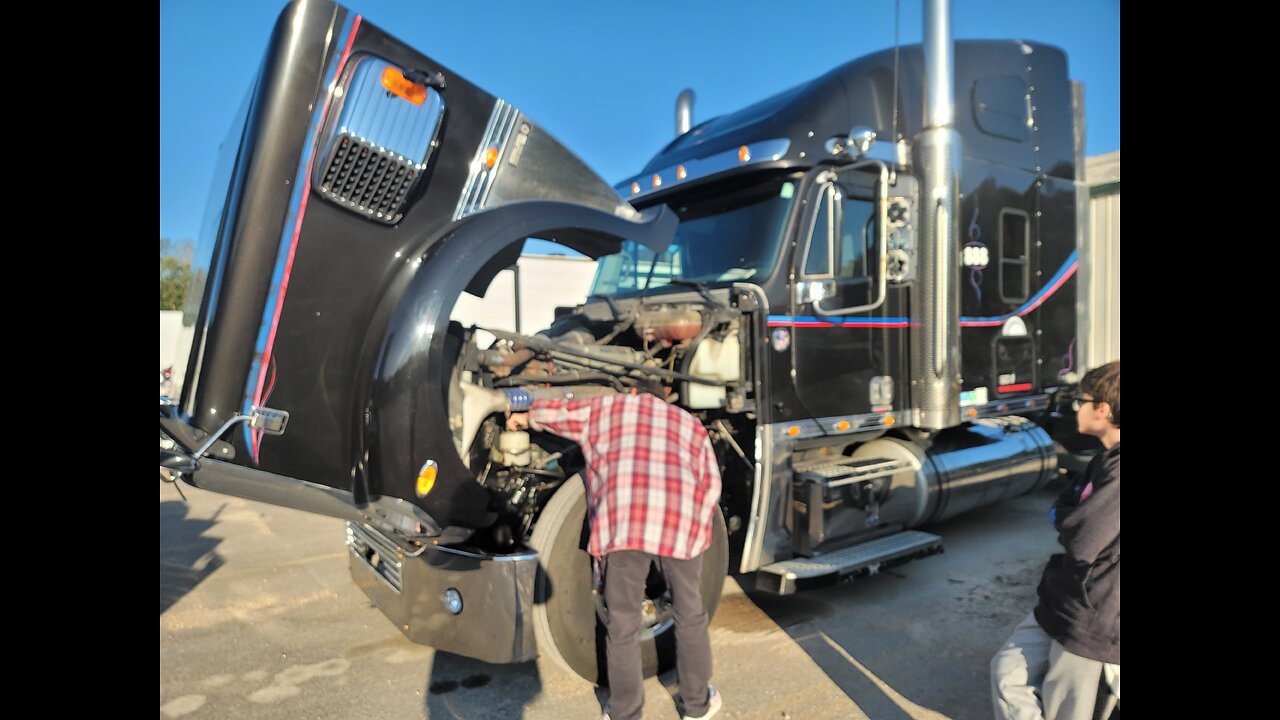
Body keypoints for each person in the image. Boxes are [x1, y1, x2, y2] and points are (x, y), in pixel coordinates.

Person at [504, 383, 724, 720]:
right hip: (679, 524)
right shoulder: (687, 422)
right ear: (661, 397)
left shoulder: (607, 408)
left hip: (625, 525)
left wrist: (524, 415)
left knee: (623, 624)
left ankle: (625, 712)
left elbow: (557, 414)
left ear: (633, 392)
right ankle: (697, 706)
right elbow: (711, 485)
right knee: (690, 614)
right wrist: (697, 533)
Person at [991, 360, 1120, 719]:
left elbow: (1082, 538)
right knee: (1007, 673)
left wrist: (1069, 518)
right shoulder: (1104, 459)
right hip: (1064, 599)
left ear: (1103, 410)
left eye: (1082, 400)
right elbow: (1068, 505)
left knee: (1067, 708)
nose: (1076, 407)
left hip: (1095, 616)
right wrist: (1071, 517)